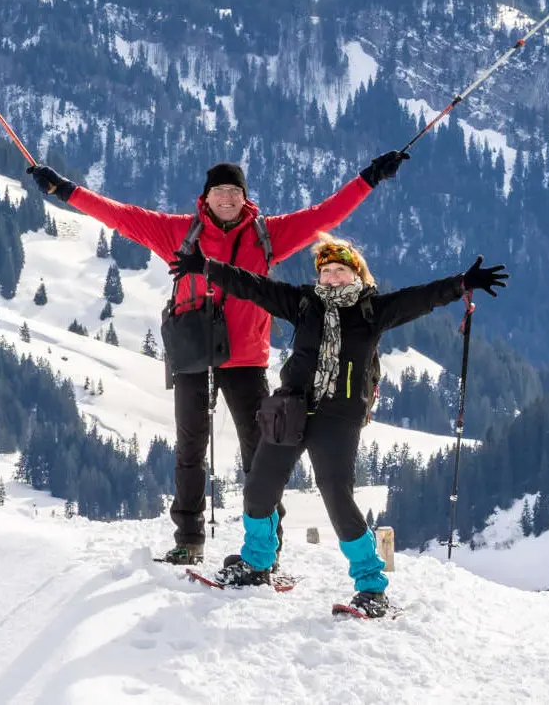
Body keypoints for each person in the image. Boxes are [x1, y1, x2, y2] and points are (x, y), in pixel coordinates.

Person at [25, 152, 409, 565]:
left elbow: (324, 214)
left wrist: (369, 177)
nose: (227, 198)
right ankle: (188, 538)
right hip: (192, 350)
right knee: (190, 447)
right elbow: (119, 215)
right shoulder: (178, 231)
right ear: (204, 197)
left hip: (245, 358)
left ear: (246, 198)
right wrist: (63, 189)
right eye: (219, 191)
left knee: (260, 451)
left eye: (235, 191)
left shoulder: (268, 234)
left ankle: (267, 543)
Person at [170, 235, 508, 617]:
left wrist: (461, 283)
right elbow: (255, 286)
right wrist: (208, 268)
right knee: (260, 486)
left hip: (339, 417)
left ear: (355, 273)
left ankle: (371, 587)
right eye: (326, 271)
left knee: (336, 497)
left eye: (339, 270)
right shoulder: (304, 303)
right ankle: (258, 564)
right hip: (291, 407)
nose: (331, 277)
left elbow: (421, 298)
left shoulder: (373, 310)